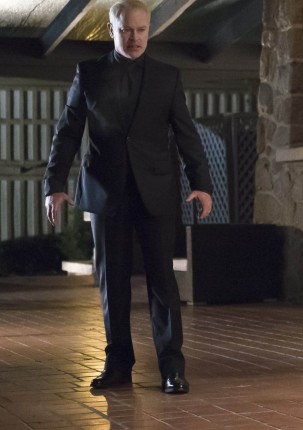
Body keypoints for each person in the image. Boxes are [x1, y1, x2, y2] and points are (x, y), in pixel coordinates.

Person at [43, 0, 213, 394]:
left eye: (141, 30)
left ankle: (172, 369)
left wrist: (201, 183)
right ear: (111, 30)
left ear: (149, 29)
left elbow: (186, 132)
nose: (134, 38)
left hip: (156, 189)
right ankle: (118, 366)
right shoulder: (89, 73)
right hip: (106, 191)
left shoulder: (168, 76)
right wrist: (54, 184)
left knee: (162, 281)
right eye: (126, 30)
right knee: (112, 282)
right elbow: (67, 132)